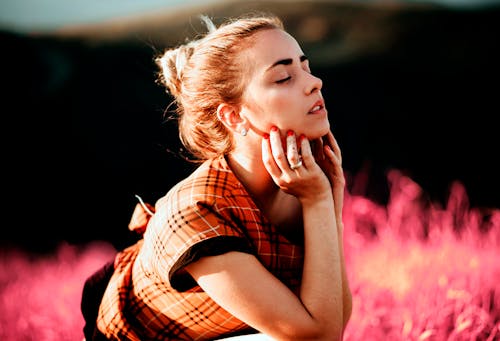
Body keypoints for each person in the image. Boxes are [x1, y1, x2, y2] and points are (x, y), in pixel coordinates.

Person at [83, 12, 352, 341]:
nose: (314, 83)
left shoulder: (301, 185)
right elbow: (319, 336)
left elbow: (335, 318)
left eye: (305, 68)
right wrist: (319, 201)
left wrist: (326, 206)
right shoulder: (196, 212)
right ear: (234, 116)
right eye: (284, 77)